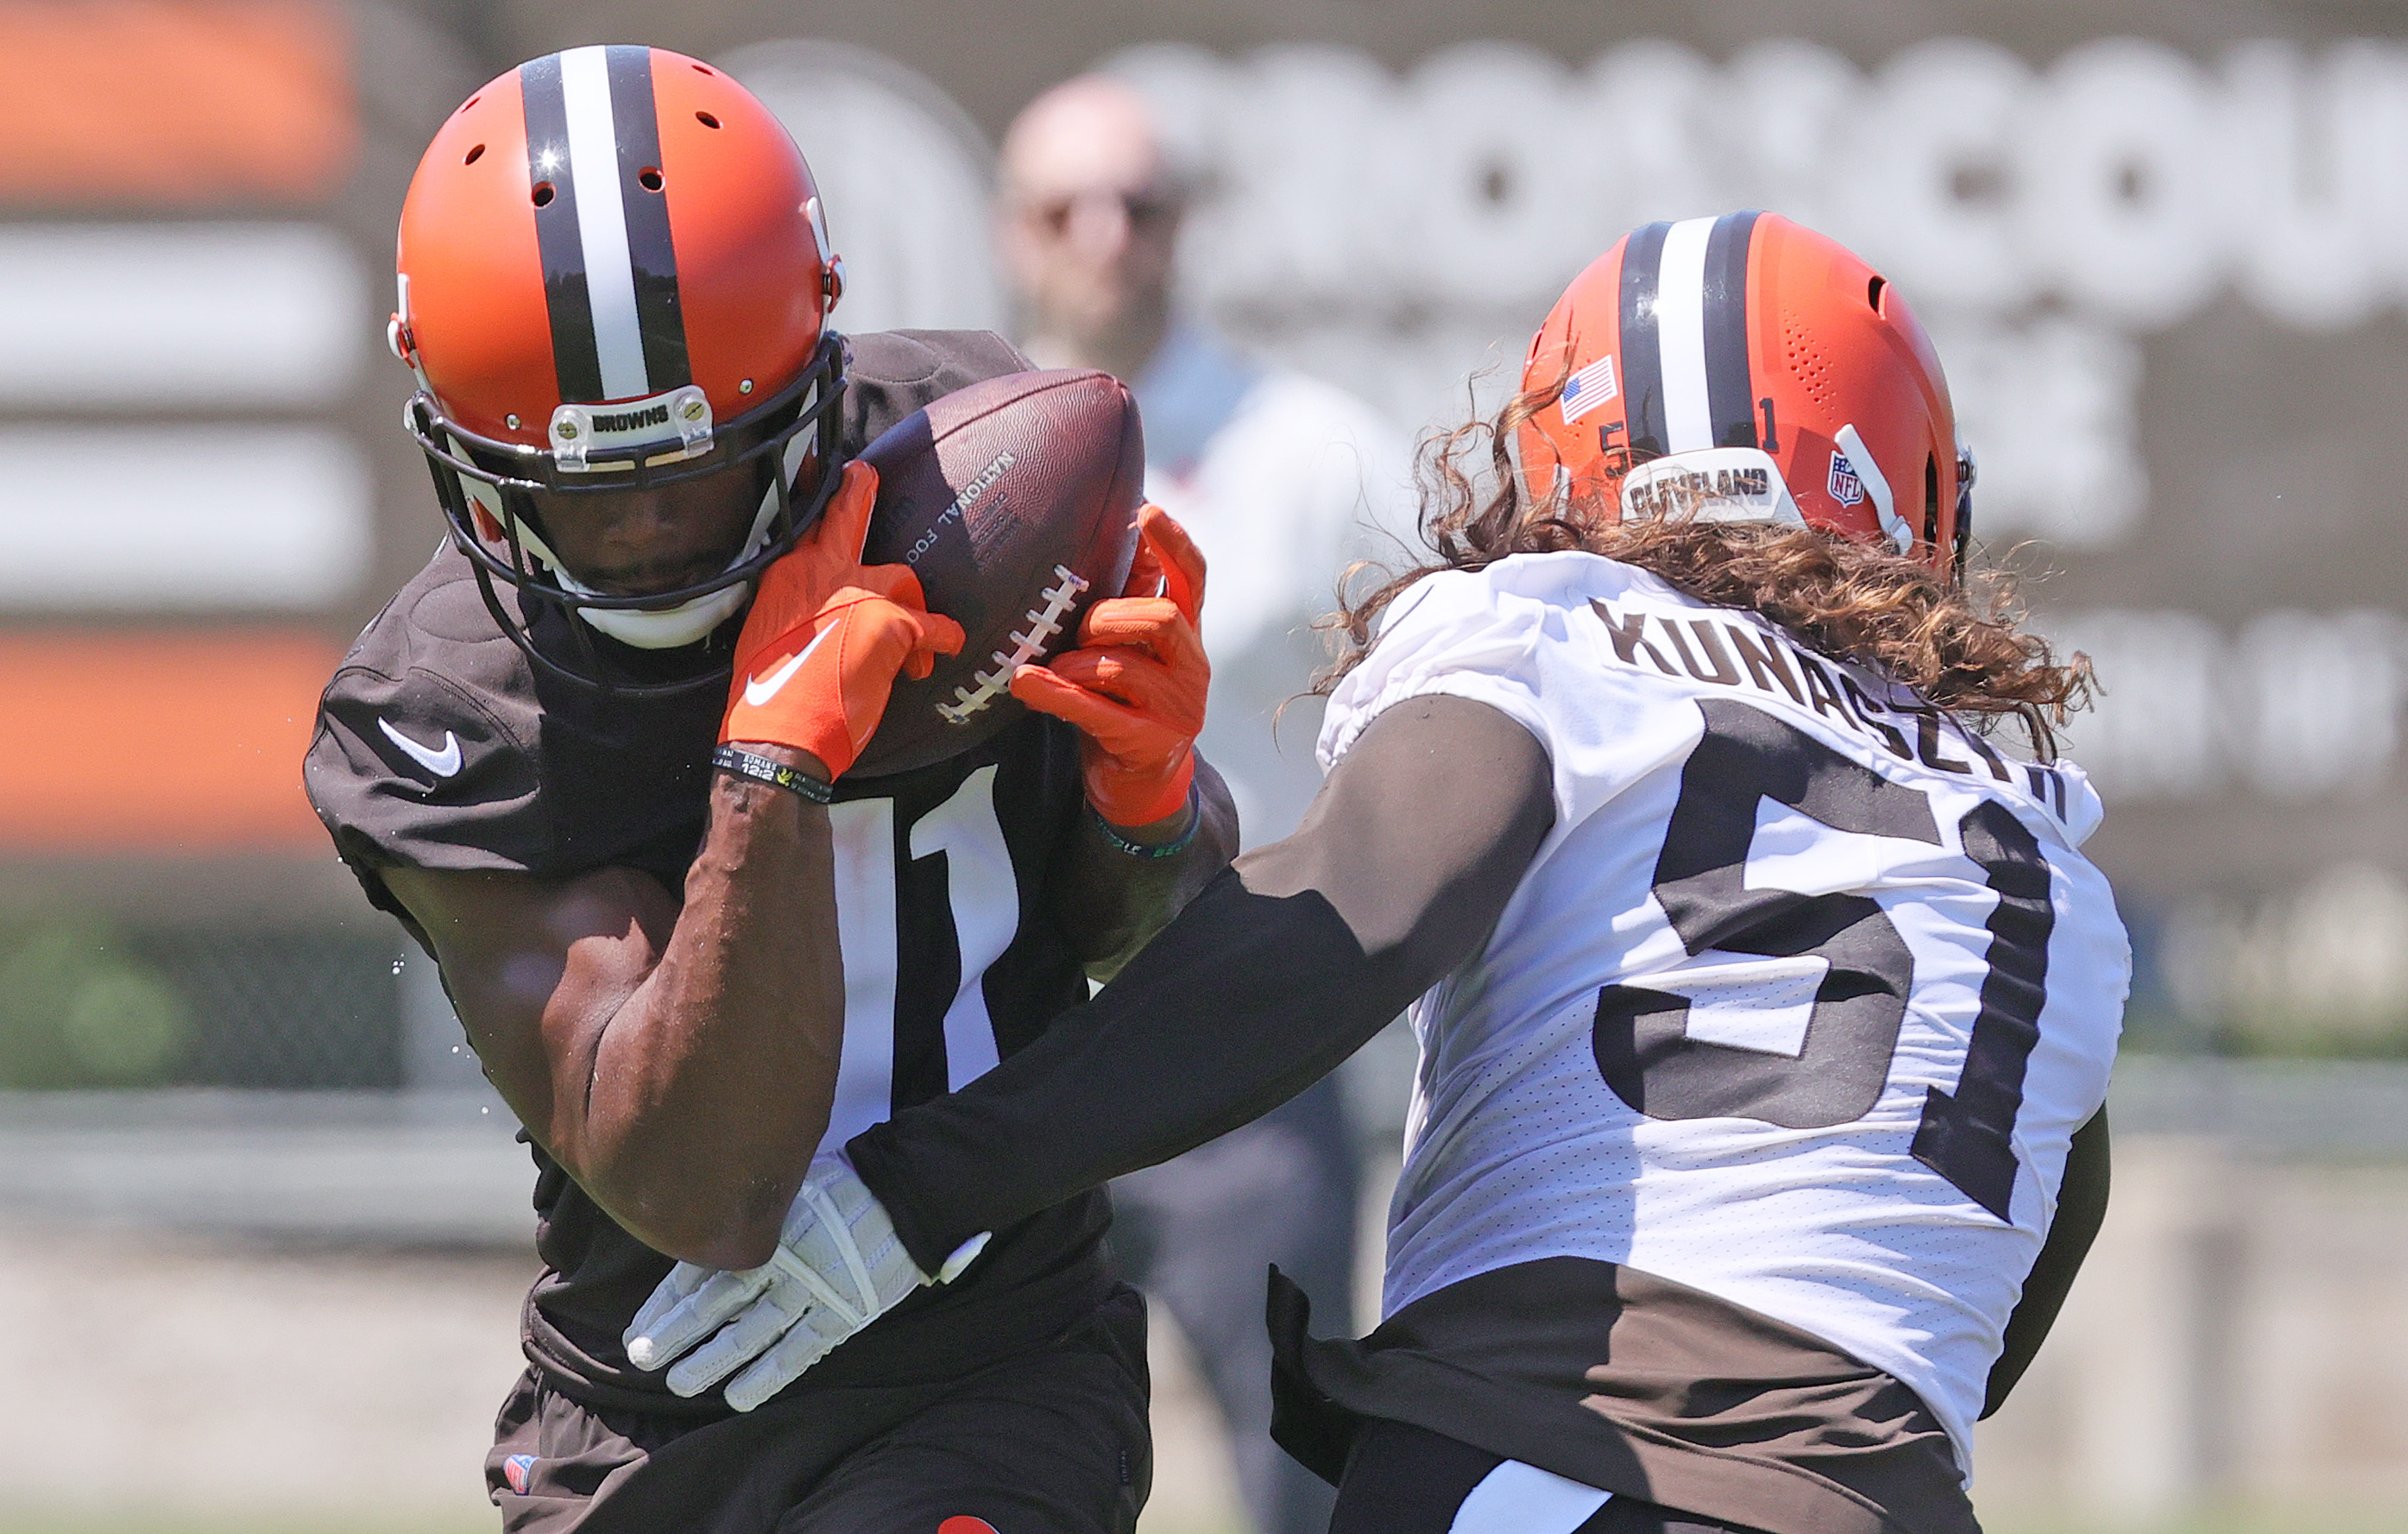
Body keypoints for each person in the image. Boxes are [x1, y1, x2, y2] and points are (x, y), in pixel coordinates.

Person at [630, 211, 2128, 1533]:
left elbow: (1346, 920)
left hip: (1542, 1457)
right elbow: (1995, 1307)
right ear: (1916, 486)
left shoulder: (1555, 623)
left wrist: (912, 1192)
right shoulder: (2044, 841)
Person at [303, 47, 1235, 1534]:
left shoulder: (964, 468)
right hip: (656, 1388)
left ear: (813, 373)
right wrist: (766, 770)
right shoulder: (443, 708)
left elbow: (1166, 937)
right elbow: (708, 1189)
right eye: (590, 500)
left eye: (705, 471)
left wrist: (1150, 793)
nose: (659, 535)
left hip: (991, 1366)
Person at [991, 74, 1413, 1534]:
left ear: (1184, 227)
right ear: (1011, 230)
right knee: (997, 1477)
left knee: (1305, 1483)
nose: (1107, 235)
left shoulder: (1316, 454)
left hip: (1248, 1051)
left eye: (1141, 203)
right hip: (1016, 1046)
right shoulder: (946, 457)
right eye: (1067, 205)